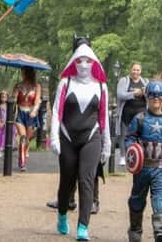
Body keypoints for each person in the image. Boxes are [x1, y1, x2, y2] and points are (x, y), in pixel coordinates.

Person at [50, 43, 110, 241]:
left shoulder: (101, 86)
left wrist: (107, 144)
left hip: (91, 137)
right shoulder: (65, 83)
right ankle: (62, 215)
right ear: (73, 62)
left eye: (87, 61)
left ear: (94, 63)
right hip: (67, 136)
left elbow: (104, 117)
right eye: (79, 60)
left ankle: (83, 225)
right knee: (67, 180)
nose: (83, 65)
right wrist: (54, 136)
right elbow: (57, 112)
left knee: (86, 179)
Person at [125, 80, 162, 242]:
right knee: (137, 198)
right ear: (147, 97)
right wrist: (132, 150)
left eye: (160, 96)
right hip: (142, 168)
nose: (156, 99)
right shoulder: (140, 119)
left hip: (160, 168)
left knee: (160, 198)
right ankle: (135, 229)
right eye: (153, 95)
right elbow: (130, 138)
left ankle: (160, 229)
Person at [116, 63, 148, 166]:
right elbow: (120, 94)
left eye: (138, 70)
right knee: (124, 134)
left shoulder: (145, 82)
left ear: (141, 71)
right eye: (134, 70)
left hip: (141, 113)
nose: (136, 72)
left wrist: (144, 93)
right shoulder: (124, 81)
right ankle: (122, 156)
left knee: (141, 135)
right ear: (131, 70)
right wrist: (134, 94)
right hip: (126, 113)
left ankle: (140, 155)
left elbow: (150, 95)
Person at [13, 65, 42, 171]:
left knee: (28, 139)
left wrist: (35, 110)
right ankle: (22, 163)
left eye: (23, 71)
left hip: (31, 114)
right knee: (23, 138)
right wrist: (14, 94)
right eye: (21, 71)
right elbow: (14, 99)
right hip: (20, 113)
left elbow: (37, 100)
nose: (22, 73)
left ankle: (24, 152)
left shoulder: (36, 86)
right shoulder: (18, 85)